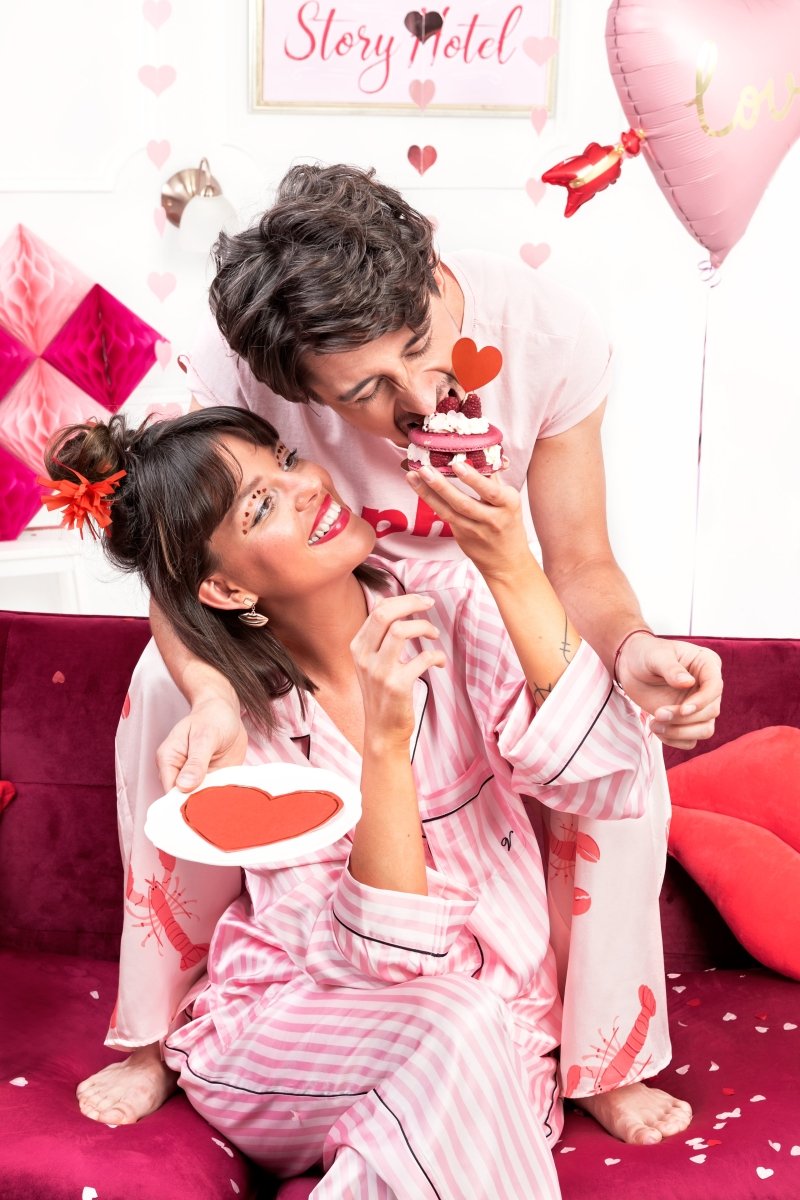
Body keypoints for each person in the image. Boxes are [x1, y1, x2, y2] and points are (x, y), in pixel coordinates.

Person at [84, 163, 715, 1143]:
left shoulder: (546, 333)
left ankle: (602, 1055)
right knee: (163, 688)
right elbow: (179, 556)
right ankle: (154, 1032)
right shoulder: (236, 362)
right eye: (367, 390)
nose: (423, 395)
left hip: (480, 594)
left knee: (612, 726)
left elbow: (580, 561)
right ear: (296, 390)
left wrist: (630, 648)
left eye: (420, 343)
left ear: (428, 262)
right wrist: (209, 695)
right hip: (311, 599)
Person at [49, 406, 662, 1197]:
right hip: (290, 1029)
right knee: (455, 1028)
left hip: (493, 1030)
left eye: (285, 460)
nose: (307, 487)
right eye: (261, 505)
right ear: (226, 586)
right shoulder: (237, 725)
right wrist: (385, 746)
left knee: (446, 1090)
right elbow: (385, 960)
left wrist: (513, 562)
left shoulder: (455, 605)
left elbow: (611, 779)